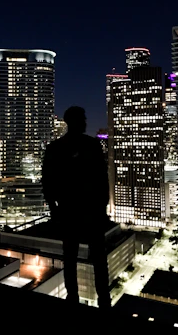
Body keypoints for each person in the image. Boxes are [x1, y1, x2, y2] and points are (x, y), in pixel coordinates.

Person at [41, 106, 111, 309]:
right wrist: (102, 205)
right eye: (83, 118)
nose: (85, 121)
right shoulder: (92, 145)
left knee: (70, 256)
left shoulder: (55, 148)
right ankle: (103, 300)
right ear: (75, 121)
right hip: (88, 210)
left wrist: (55, 208)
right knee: (97, 257)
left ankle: (74, 297)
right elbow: (101, 177)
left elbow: (47, 181)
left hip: (70, 210)